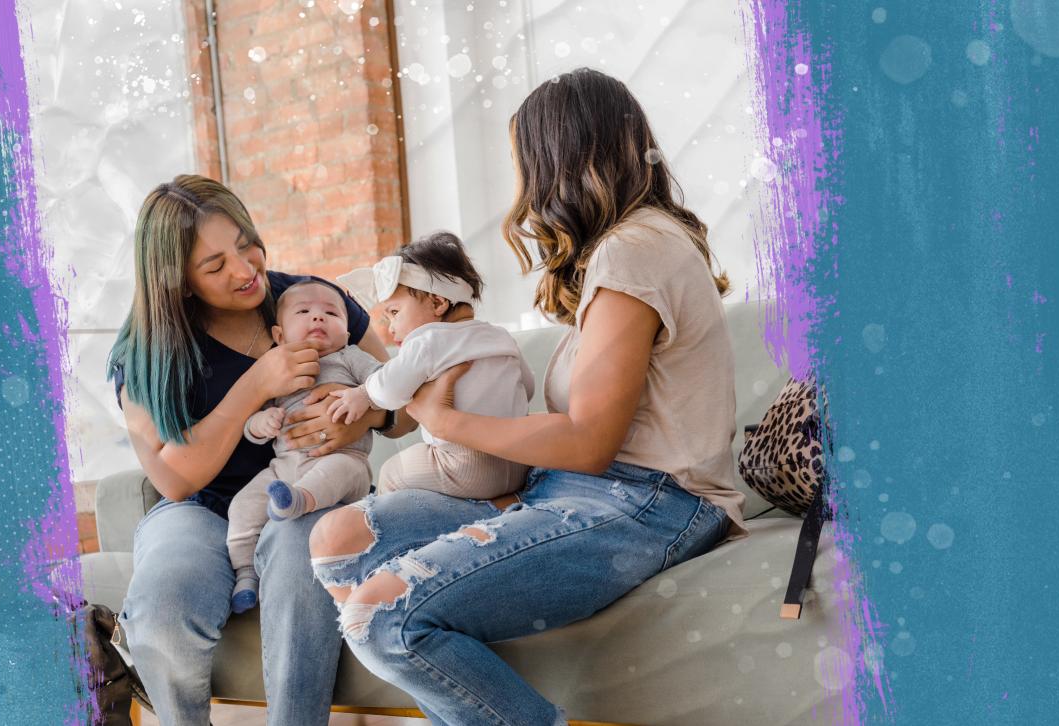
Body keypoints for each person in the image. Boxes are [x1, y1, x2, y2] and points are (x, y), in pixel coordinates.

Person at [308, 68, 749, 724]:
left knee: (381, 617)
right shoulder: (622, 250)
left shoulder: (636, 251)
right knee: (341, 538)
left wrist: (444, 418)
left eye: (524, 163)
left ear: (559, 160)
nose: (521, 186)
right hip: (576, 487)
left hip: (651, 501)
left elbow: (591, 442)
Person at [106, 174, 409, 725]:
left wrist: (365, 413)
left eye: (245, 244)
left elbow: (403, 404)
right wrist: (256, 385)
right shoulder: (146, 351)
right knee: (164, 604)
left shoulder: (312, 301)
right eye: (215, 266)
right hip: (199, 509)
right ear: (177, 281)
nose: (246, 271)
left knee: (300, 556)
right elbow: (175, 480)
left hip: (308, 495)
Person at [327, 232, 533, 499]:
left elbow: (390, 390)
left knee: (391, 472)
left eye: (394, 312)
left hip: (464, 464)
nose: (391, 328)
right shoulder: (500, 336)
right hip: (518, 460)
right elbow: (526, 386)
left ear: (437, 302)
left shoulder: (427, 340)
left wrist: (363, 394)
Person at [226, 281, 381, 614]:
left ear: (348, 333)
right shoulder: (275, 366)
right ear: (279, 336)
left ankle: (297, 503)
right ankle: (245, 575)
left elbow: (385, 381)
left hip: (344, 459)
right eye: (304, 312)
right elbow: (250, 423)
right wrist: (261, 422)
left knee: (337, 471)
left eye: (330, 313)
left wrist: (360, 397)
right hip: (285, 466)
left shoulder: (350, 357)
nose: (318, 318)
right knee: (242, 506)